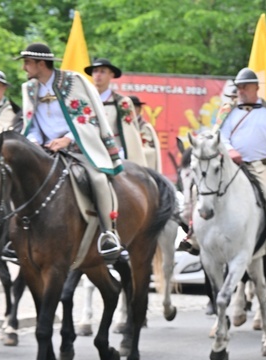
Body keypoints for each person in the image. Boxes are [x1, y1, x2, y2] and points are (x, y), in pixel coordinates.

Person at [16, 43, 123, 262]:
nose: (24, 67)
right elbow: (31, 123)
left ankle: (108, 233)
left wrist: (66, 139)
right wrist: (34, 142)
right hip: (43, 150)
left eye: (27, 62)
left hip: (77, 148)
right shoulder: (28, 88)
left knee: (98, 179)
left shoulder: (74, 81)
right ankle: (13, 236)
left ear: (40, 63)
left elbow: (86, 117)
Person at [181, 67, 266, 257]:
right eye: (239, 87)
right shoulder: (228, 110)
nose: (241, 91)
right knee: (199, 189)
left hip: (261, 165)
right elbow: (219, 136)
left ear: (255, 88)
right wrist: (230, 151)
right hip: (232, 165)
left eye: (245, 87)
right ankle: (193, 234)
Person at [84, 57, 147, 167]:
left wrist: (126, 155)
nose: (98, 75)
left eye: (103, 71)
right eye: (95, 71)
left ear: (111, 75)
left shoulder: (121, 102)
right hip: (87, 152)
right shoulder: (84, 101)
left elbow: (130, 134)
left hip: (114, 154)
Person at [128, 95, 162, 173]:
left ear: (139, 109)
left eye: (133, 107)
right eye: (128, 108)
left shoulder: (145, 128)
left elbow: (150, 150)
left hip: (142, 168)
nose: (130, 110)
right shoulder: (126, 125)